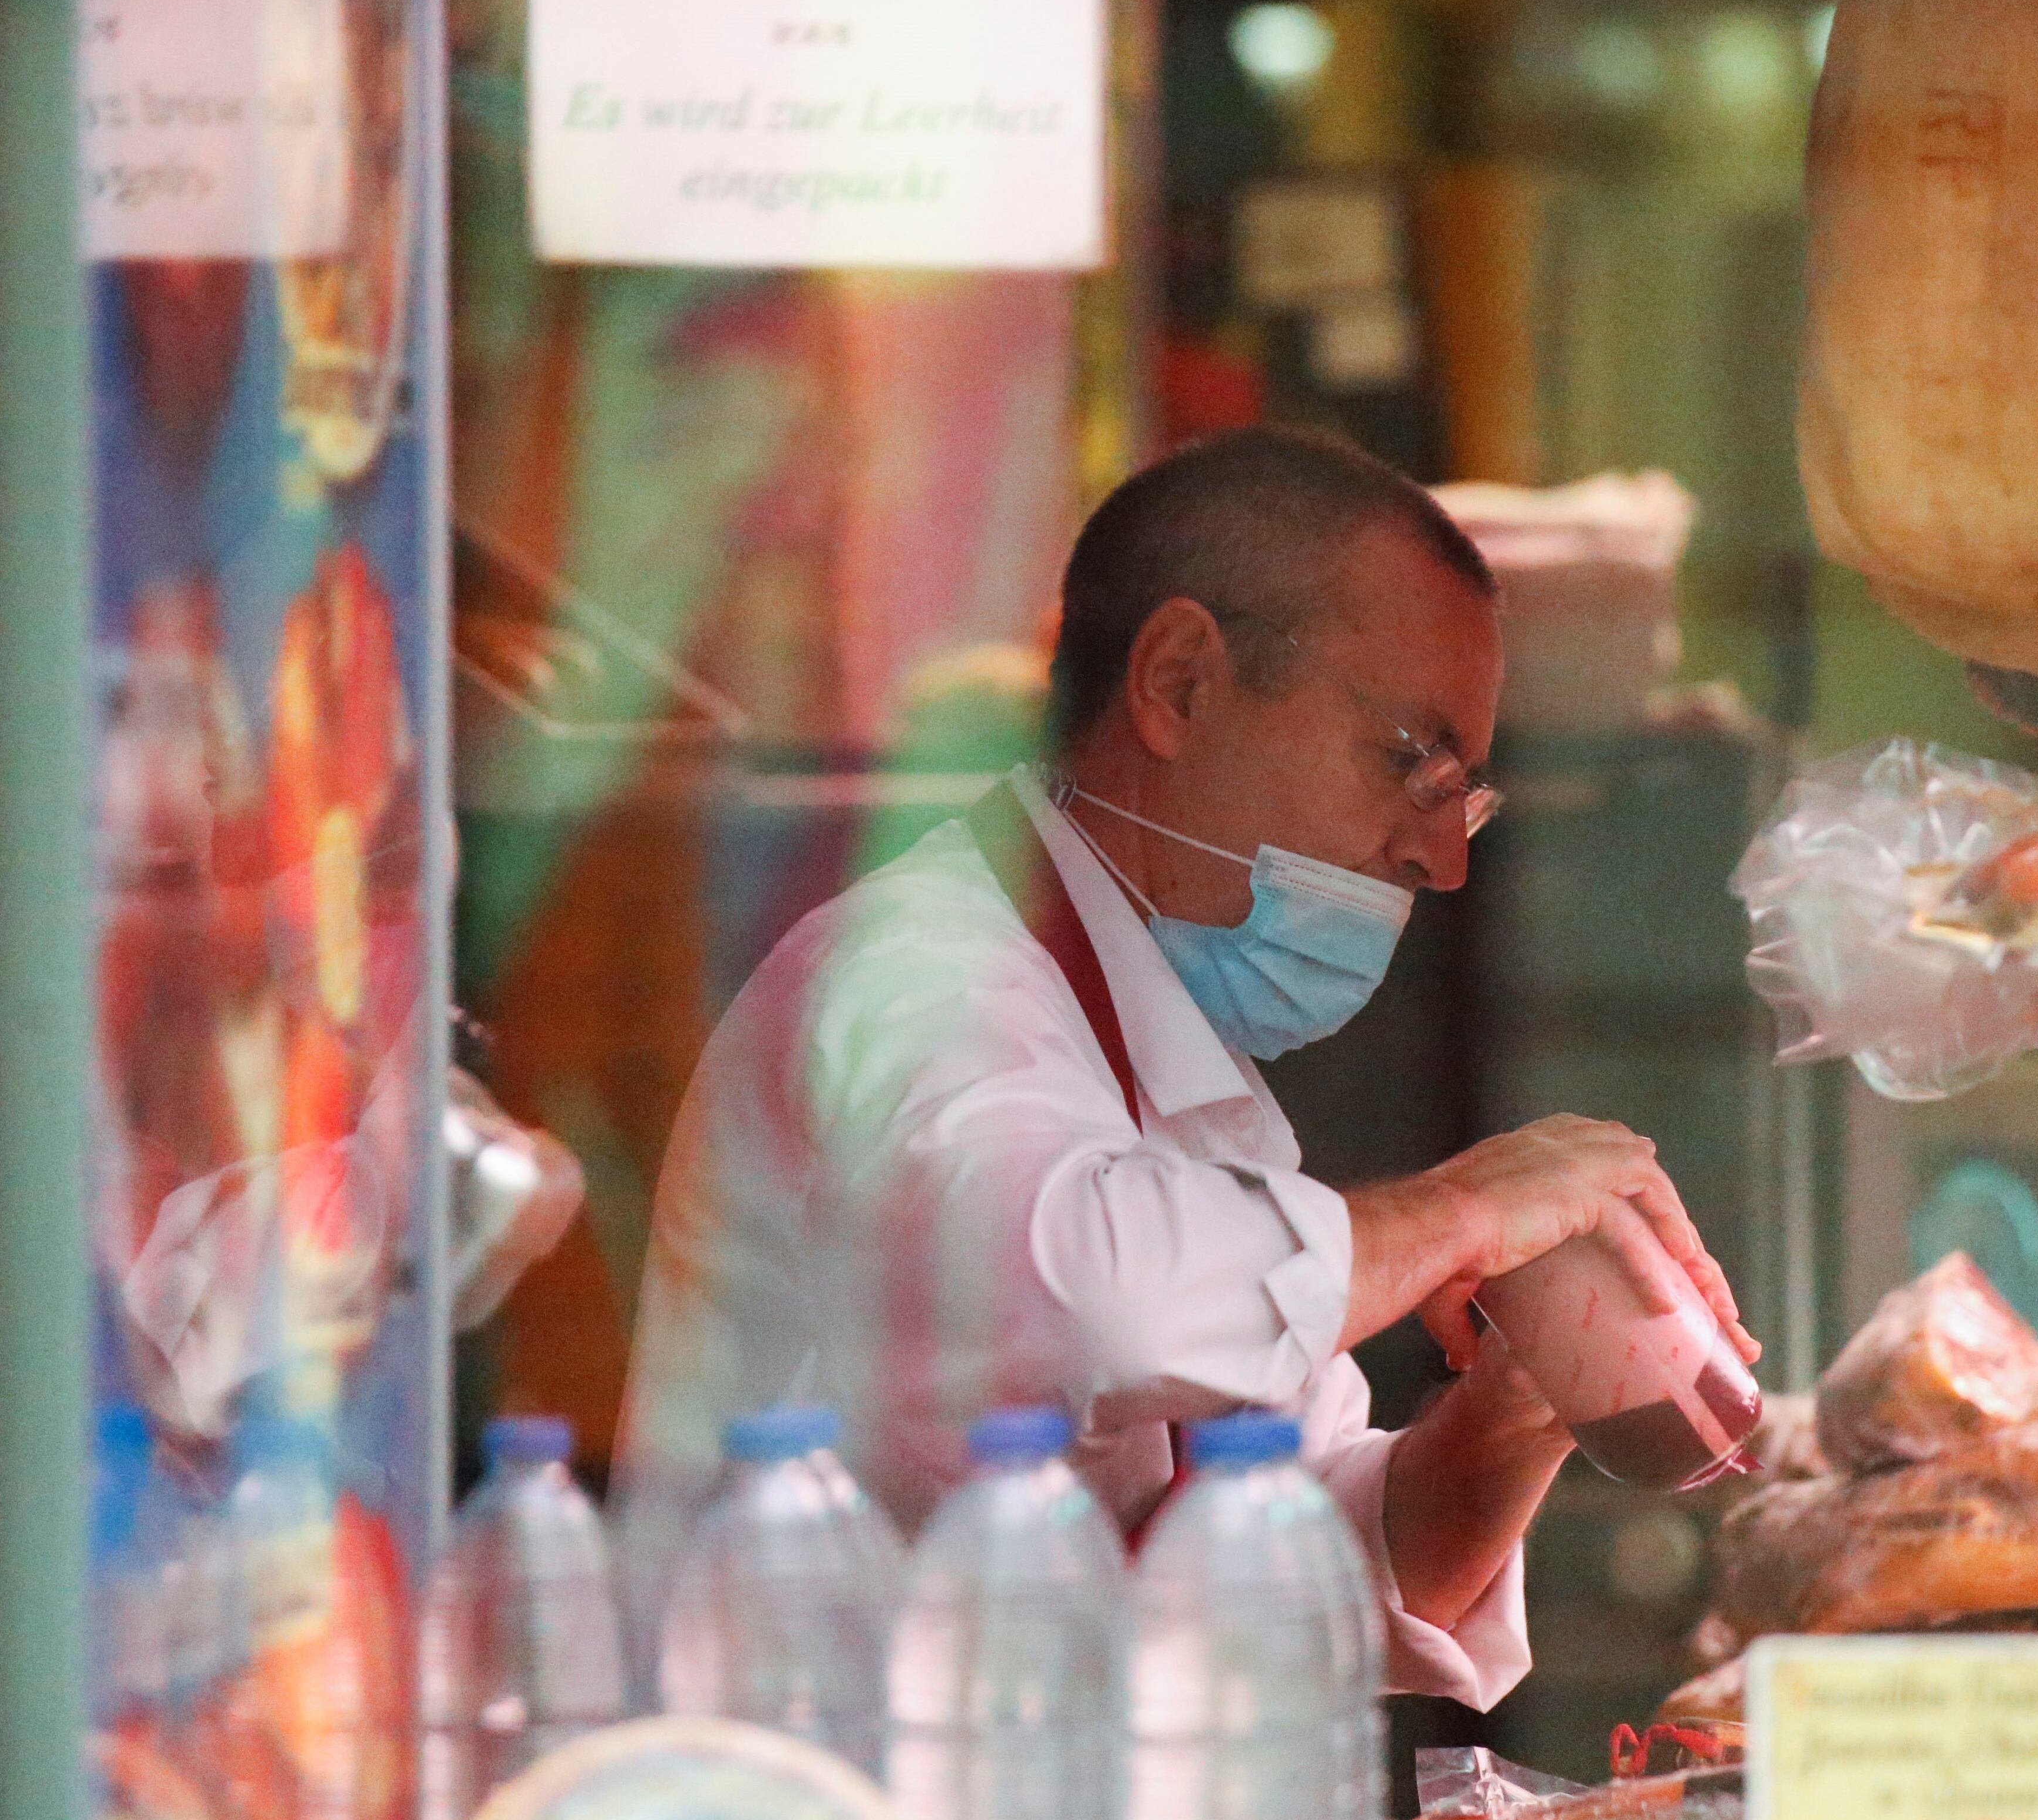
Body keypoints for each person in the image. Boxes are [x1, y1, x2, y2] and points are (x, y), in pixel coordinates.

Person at [614, 427, 1753, 1708]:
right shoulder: (915, 978)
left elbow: (1306, 1569)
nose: (1444, 860)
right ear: (1178, 683)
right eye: (1409, 760)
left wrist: (1515, 1407)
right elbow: (1106, 1302)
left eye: (1466, 794)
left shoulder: (1166, 1064)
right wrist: (1467, 1209)